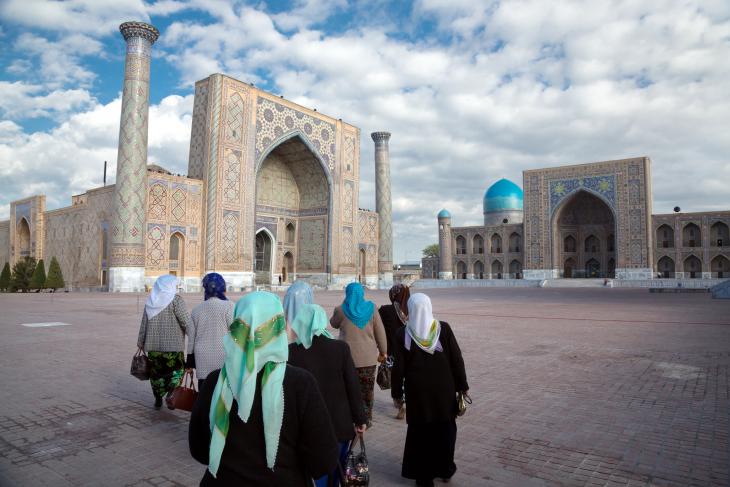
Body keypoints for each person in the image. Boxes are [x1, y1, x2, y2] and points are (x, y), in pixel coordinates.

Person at [189, 291, 339, 485]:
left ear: (236, 328)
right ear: (279, 328)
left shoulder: (214, 382)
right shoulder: (300, 385)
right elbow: (323, 461)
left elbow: (200, 450)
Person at [390, 293, 469, 487]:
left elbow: (398, 368)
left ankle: (424, 477)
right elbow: (456, 360)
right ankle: (445, 469)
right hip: (444, 390)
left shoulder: (404, 333)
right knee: (445, 430)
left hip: (418, 393)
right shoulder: (443, 329)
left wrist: (397, 395)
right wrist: (462, 387)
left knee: (421, 434)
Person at [288, 302, 368, 487]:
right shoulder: (340, 348)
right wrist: (360, 419)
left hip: (306, 427)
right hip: (339, 426)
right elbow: (352, 387)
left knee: (314, 473)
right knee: (336, 471)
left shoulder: (292, 352)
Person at [330, 282, 387, 427]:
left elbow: (333, 323)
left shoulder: (341, 310)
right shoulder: (371, 308)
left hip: (347, 360)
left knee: (348, 389)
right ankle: (366, 419)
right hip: (368, 359)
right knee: (367, 391)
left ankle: (351, 418)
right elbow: (380, 332)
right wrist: (383, 351)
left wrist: (344, 305)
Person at [137, 274, 191, 409]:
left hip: (154, 347)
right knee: (176, 371)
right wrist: (193, 335)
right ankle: (172, 394)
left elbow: (144, 323)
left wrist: (140, 341)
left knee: (157, 375)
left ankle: (158, 399)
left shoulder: (151, 301)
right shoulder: (176, 301)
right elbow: (186, 321)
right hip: (173, 347)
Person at [186, 273, 235, 390]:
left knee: (204, 391)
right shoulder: (230, 307)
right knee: (223, 391)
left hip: (202, 357)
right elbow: (235, 333)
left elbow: (191, 339)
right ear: (223, 287)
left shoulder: (196, 310)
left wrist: (189, 363)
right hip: (224, 355)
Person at [377, 284, 411, 419]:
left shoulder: (385, 310)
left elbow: (378, 329)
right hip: (410, 353)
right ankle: (407, 401)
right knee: (407, 378)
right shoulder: (414, 309)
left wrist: (380, 349)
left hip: (392, 352)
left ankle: (400, 403)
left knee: (396, 378)